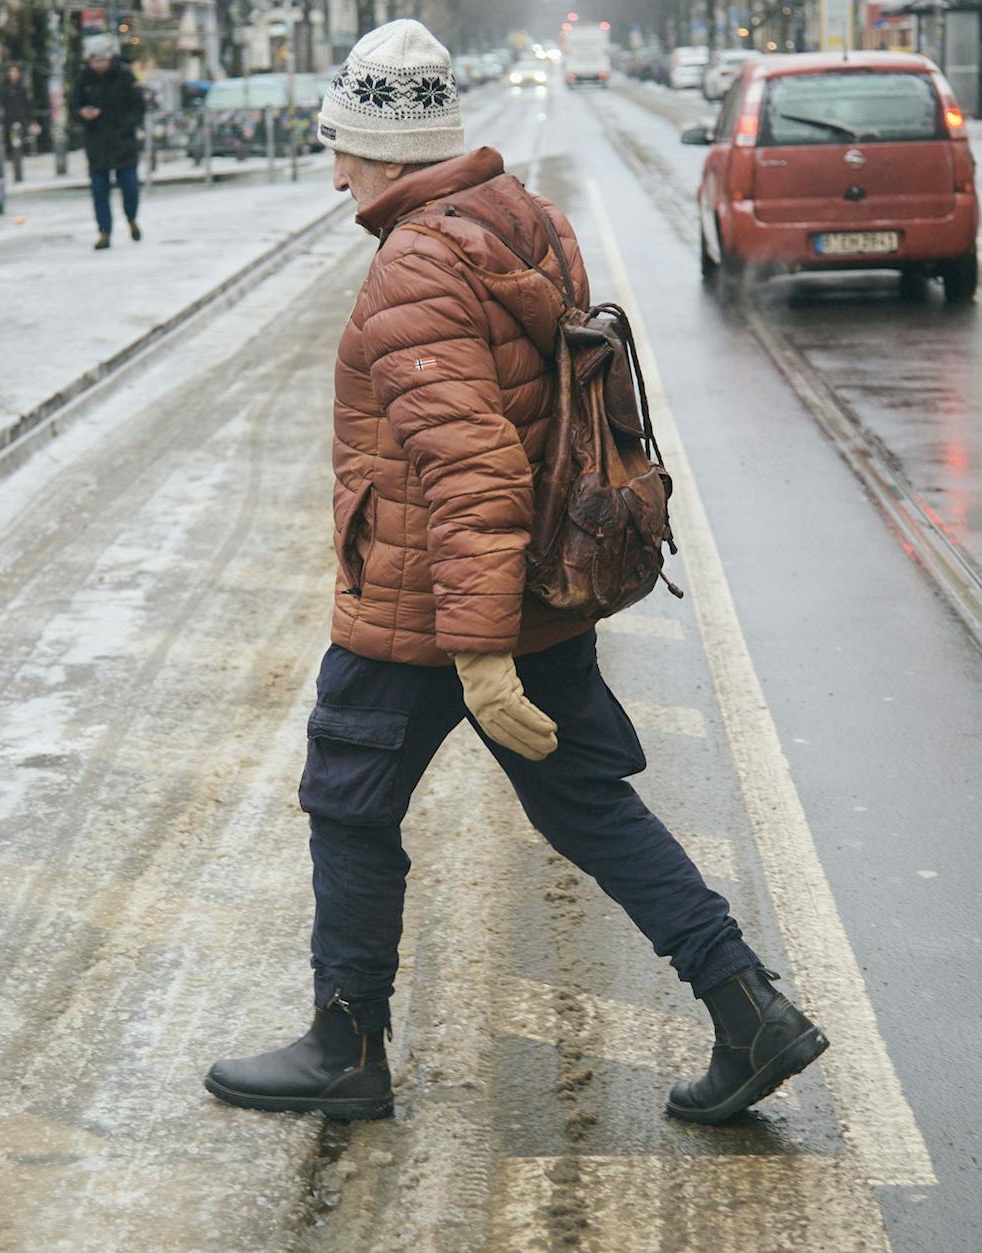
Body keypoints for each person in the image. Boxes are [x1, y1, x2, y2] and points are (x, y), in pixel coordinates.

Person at [204, 19, 829, 1125]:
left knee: (347, 810)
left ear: (387, 148)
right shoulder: (524, 222)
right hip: (532, 590)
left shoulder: (415, 264)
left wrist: (478, 653)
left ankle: (345, 1048)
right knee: (588, 801)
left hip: (422, 613)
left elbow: (470, 465)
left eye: (340, 142)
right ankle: (749, 1009)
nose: (332, 164)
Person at [69, 34, 145, 250]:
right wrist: (83, 113)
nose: (98, 65)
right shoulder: (83, 79)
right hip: (97, 142)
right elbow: (74, 106)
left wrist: (127, 127)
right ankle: (104, 232)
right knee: (99, 190)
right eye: (94, 61)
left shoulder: (124, 76)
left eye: (101, 60)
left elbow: (138, 106)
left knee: (129, 186)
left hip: (122, 140)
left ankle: (131, 218)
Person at [0, 63, 32, 183]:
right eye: (11, 72)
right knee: (12, 145)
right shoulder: (5, 89)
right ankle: (15, 167)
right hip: (9, 120)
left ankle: (18, 170)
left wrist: (28, 120)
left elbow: (27, 105)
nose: (13, 75)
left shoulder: (22, 88)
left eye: (15, 72)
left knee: (18, 144)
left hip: (20, 120)